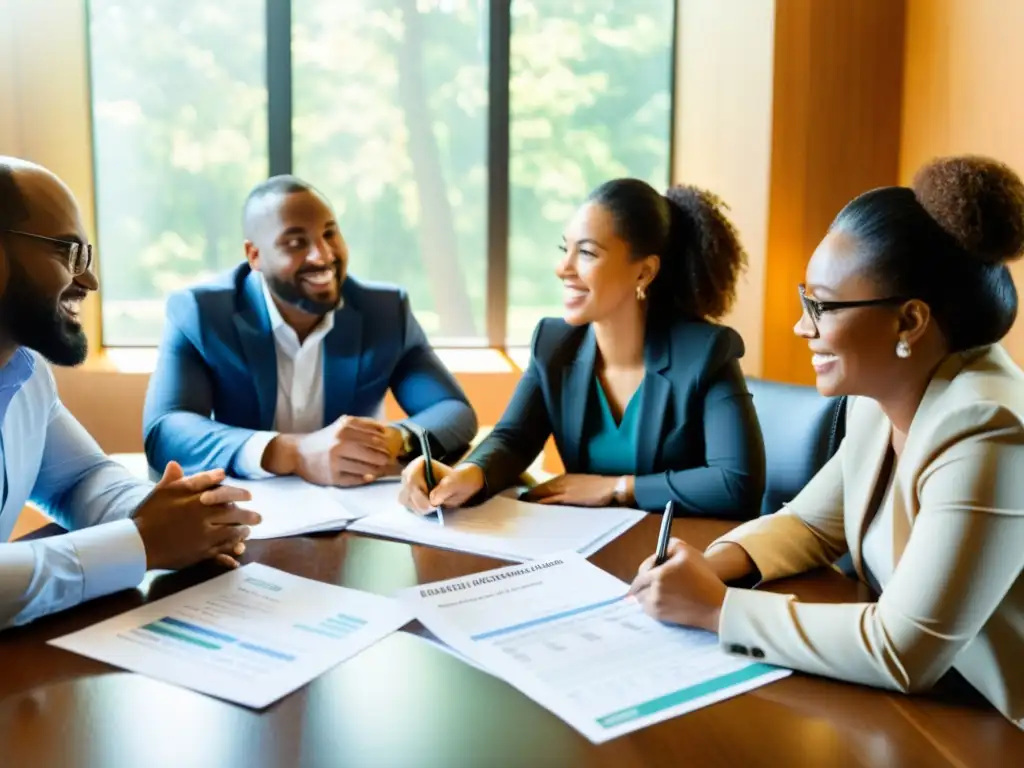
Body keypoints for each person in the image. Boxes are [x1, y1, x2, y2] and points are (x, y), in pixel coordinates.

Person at [630, 156, 1024, 731]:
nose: (802, 326)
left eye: (824, 305)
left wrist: (717, 609)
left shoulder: (989, 426)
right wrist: (710, 567)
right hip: (923, 706)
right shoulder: (882, 394)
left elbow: (903, 649)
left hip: (987, 726)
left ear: (909, 322)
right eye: (804, 298)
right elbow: (813, 524)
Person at [400, 178, 765, 517]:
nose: (563, 268)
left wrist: (617, 488)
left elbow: (737, 483)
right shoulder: (554, 343)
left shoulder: (705, 354)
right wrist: (467, 473)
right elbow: (513, 439)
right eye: (565, 249)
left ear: (644, 273)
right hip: (583, 553)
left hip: (671, 559)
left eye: (587, 253)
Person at [0, 157, 260, 629]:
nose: (89, 281)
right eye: (68, 253)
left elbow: (80, 478)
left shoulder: (25, 371)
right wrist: (141, 542)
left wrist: (169, 517)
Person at [143, 175, 478, 487]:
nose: (323, 255)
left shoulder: (385, 311)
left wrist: (392, 439)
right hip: (250, 516)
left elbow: (453, 410)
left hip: (358, 512)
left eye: (329, 233)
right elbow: (166, 429)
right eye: (296, 242)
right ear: (254, 255)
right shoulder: (201, 313)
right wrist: (294, 452)